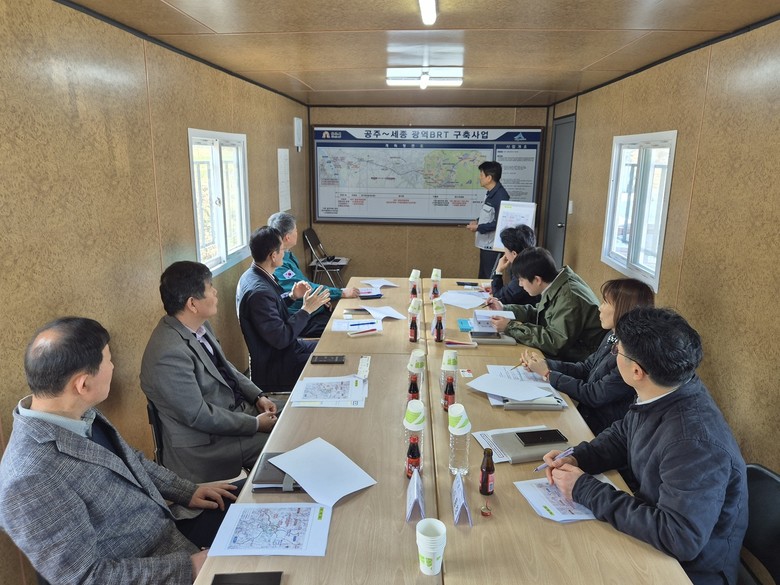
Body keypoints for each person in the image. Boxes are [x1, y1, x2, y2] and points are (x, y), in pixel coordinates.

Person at [0, 317, 237, 584]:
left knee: (248, 501)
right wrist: (189, 567)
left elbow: (131, 461)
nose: (113, 367)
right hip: (158, 566)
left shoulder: (76, 412)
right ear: (83, 384)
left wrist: (187, 491)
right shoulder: (28, 480)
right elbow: (86, 578)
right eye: (108, 360)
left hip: (169, 529)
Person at [542, 308, 748, 585]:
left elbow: (679, 537)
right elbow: (623, 434)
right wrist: (578, 458)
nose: (613, 353)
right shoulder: (667, 389)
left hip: (686, 572)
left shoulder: (694, 443)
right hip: (652, 534)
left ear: (637, 371)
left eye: (617, 350)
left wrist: (583, 489)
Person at [141, 261, 278, 483]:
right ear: (192, 304)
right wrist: (254, 424)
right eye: (210, 287)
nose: (215, 292)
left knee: (297, 411)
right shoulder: (168, 354)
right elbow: (199, 415)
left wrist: (258, 396)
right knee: (287, 443)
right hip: (209, 444)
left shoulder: (200, 325)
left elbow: (226, 367)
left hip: (236, 413)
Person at [522, 278, 654, 436]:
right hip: (584, 417)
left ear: (623, 309)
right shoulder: (612, 336)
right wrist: (546, 364)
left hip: (601, 431)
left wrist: (548, 374)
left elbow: (594, 395)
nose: (599, 308)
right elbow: (585, 368)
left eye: (605, 303)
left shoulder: (630, 355)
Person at [237, 226, 331, 392]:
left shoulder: (253, 274)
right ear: (273, 256)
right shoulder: (259, 292)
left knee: (332, 347)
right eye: (282, 250)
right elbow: (281, 338)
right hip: (277, 365)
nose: (284, 253)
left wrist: (292, 296)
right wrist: (306, 310)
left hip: (288, 350)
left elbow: (270, 310)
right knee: (333, 363)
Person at [488, 247, 602, 361]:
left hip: (581, 360)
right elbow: (539, 313)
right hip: (568, 352)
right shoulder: (557, 283)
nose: (520, 284)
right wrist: (504, 308)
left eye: (522, 280)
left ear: (537, 280)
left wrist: (510, 327)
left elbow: (555, 343)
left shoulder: (568, 299)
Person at [268, 212, 358, 338]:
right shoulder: (279, 265)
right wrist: (340, 292)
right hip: (302, 318)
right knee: (347, 330)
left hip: (312, 311)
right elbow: (306, 288)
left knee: (351, 320)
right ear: (288, 237)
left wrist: (321, 299)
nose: (297, 233)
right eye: (296, 230)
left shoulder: (287, 255)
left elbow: (304, 284)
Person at [466, 160, 510, 279]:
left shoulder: (501, 196)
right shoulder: (491, 193)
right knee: (483, 277)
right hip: (486, 244)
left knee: (489, 278)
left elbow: (499, 223)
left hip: (493, 247)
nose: (479, 178)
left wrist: (478, 227)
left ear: (489, 178)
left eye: (481, 175)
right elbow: (489, 214)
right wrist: (477, 221)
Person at [489, 224, 539, 305]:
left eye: (505, 250)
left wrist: (498, 271)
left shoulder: (523, 272)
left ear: (514, 254)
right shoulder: (533, 261)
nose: (505, 254)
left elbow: (499, 299)